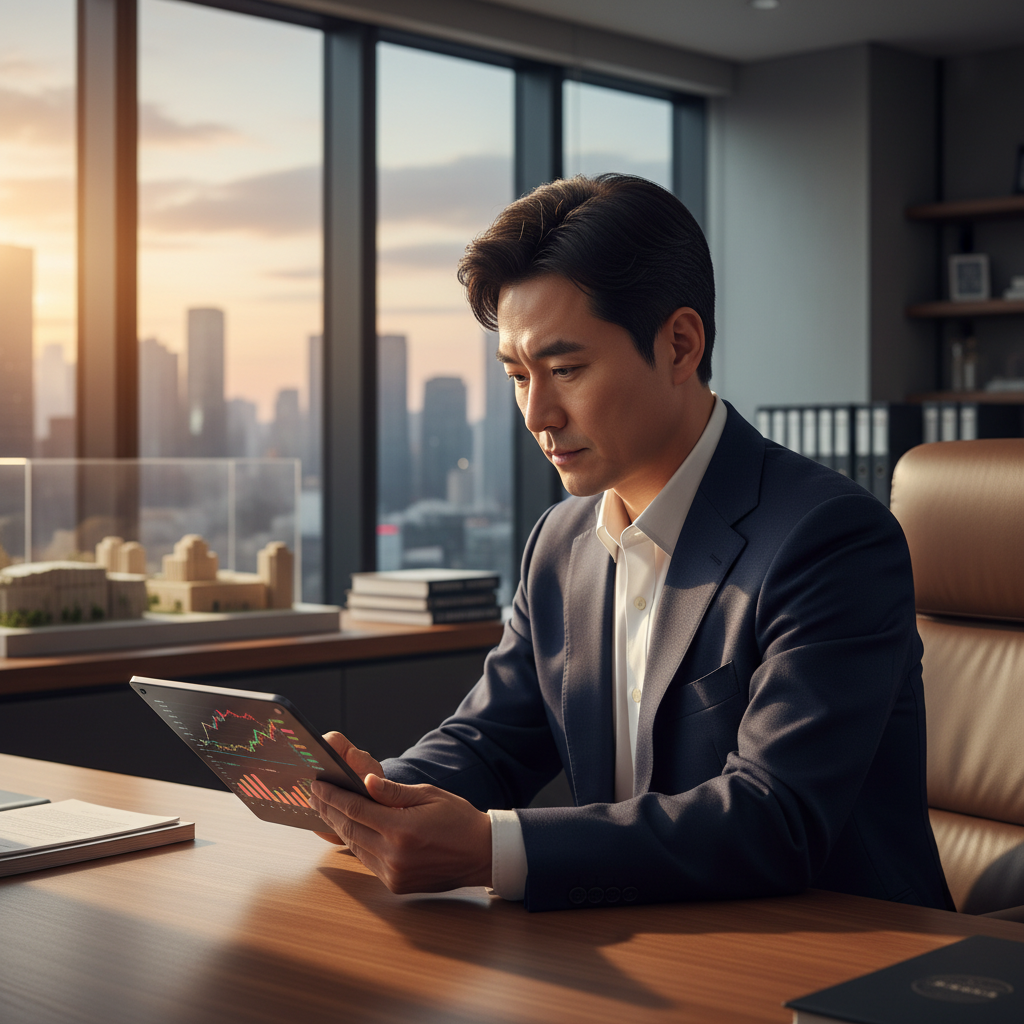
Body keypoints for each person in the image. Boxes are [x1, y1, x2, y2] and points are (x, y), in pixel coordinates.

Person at [310, 173, 952, 913]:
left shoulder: (830, 540)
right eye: (518, 376)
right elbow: (490, 743)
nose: (536, 414)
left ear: (680, 345)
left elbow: (775, 819)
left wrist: (494, 849)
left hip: (839, 962)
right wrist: (369, 796)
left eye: (566, 370)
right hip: (632, 945)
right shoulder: (561, 541)